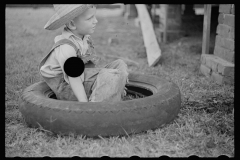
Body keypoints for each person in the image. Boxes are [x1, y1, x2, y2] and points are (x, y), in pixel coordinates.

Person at [39, 4, 129, 102]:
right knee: (112, 75)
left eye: (94, 16)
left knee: (120, 64)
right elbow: (74, 78)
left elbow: (88, 68)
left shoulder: (84, 38)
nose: (96, 21)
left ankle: (113, 91)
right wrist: (83, 104)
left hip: (82, 80)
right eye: (90, 18)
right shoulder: (66, 47)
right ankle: (96, 107)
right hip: (68, 88)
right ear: (72, 24)